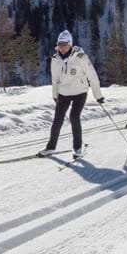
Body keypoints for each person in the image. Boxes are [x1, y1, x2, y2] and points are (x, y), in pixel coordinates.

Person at [39, 30, 104, 159]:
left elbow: (92, 75)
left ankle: (77, 148)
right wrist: (55, 95)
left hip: (80, 92)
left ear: (70, 44)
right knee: (57, 119)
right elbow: (55, 79)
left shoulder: (81, 57)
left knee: (74, 117)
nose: (62, 47)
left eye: (64, 44)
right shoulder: (55, 59)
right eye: (60, 44)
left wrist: (98, 95)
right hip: (63, 92)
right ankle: (51, 147)